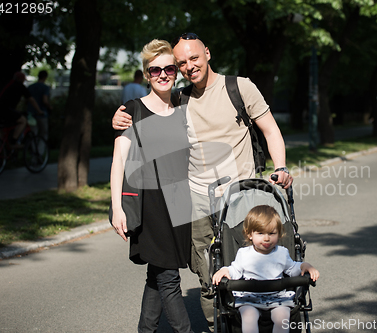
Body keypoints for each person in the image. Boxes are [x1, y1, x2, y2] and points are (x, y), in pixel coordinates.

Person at [112, 32, 293, 331]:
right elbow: (144, 113)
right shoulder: (179, 98)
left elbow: (271, 131)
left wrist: (281, 166)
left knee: (250, 273)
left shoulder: (239, 87)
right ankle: (217, 327)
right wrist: (118, 118)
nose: (188, 66)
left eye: (193, 58)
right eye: (180, 62)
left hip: (241, 198)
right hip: (194, 201)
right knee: (207, 278)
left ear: (207, 54)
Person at [110, 39, 193, 333]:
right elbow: (119, 161)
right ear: (146, 74)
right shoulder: (133, 110)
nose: (162, 74)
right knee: (169, 278)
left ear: (176, 71)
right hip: (151, 206)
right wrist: (117, 207)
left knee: (156, 276)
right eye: (155, 69)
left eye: (169, 68)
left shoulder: (185, 105)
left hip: (181, 203)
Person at [212, 205, 319, 333]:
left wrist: (304, 266)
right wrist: (225, 270)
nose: (266, 238)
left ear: (279, 234)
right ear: (250, 234)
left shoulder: (282, 253)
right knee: (249, 317)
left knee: (282, 318)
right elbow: (235, 270)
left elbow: (292, 269)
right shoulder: (244, 253)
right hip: (249, 297)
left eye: (272, 233)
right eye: (260, 233)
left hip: (277, 297)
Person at [0, 71, 43, 147]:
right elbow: (31, 100)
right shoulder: (20, 86)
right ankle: (13, 141)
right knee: (23, 121)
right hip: (5, 110)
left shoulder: (8, 84)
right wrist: (39, 111)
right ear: (22, 80)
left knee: (2, 134)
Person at [27, 70, 52, 141]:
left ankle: (33, 149)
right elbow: (45, 100)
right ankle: (40, 150)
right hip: (42, 113)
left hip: (31, 113)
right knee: (43, 133)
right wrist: (49, 107)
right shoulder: (45, 87)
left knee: (33, 133)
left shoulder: (31, 87)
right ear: (45, 77)